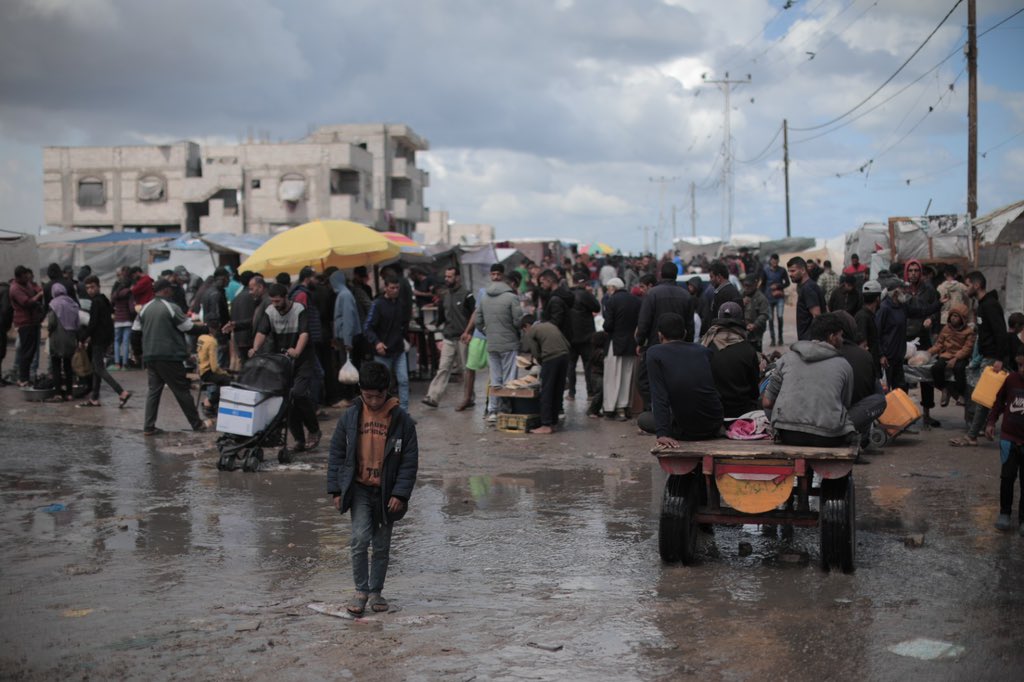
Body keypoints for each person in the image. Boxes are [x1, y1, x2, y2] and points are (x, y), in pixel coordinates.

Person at [328, 361, 419, 615]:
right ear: (360, 391)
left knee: (381, 545)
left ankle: (376, 592)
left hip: (386, 493)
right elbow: (336, 453)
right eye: (368, 396)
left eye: (378, 396)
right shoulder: (350, 417)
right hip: (359, 489)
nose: (373, 401)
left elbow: (409, 462)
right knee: (359, 540)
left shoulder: (402, 421)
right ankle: (360, 591)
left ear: (386, 392)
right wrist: (336, 489)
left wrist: (400, 494)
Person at [762, 314, 857, 447]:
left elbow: (767, 402)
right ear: (831, 337)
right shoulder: (844, 365)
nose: (842, 340)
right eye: (840, 335)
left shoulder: (786, 359)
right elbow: (844, 403)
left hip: (788, 434)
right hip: (827, 436)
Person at [251, 282, 322, 450]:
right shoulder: (270, 311)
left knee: (298, 394)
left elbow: (304, 333)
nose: (275, 305)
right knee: (285, 400)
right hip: (282, 362)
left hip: (303, 360)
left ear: (286, 298)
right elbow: (262, 332)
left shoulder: (299, 309)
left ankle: (314, 430)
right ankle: (299, 439)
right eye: (272, 301)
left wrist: (297, 350)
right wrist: (254, 348)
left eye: (278, 301)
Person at [136, 279, 209, 435]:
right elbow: (187, 327)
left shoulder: (144, 309)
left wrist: (138, 354)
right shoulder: (170, 307)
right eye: (170, 289)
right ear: (166, 290)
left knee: (153, 391)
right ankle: (197, 424)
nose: (172, 291)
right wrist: (207, 329)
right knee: (182, 391)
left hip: (150, 357)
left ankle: (149, 426)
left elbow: (135, 332)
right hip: (169, 357)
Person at [638, 313, 724, 446]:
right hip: (714, 423)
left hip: (686, 430)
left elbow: (659, 396)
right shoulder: (703, 351)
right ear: (684, 333)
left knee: (643, 419)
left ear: (660, 335)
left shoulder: (654, 353)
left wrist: (662, 433)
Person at [951, 271, 1008, 447]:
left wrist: (1000, 358)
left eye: (968, 284)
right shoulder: (983, 305)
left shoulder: (990, 305)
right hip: (987, 357)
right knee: (984, 399)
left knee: (984, 400)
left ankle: (972, 436)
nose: (966, 288)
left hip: (992, 359)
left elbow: (1001, 332)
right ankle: (973, 435)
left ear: (976, 285)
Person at [636, 262, 694, 411]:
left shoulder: (652, 294)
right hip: (679, 347)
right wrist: (688, 344)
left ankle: (653, 411)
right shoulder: (686, 295)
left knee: (645, 380)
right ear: (676, 275)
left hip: (655, 345)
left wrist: (640, 342)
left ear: (661, 275)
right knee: (673, 380)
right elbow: (690, 325)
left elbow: (644, 322)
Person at [985, 346, 1024, 533]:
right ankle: (1005, 513)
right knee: (1007, 478)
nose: (1023, 369)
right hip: (1009, 437)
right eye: (1021, 365)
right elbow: (999, 402)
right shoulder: (1011, 380)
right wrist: (991, 422)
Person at [476, 265, 523, 421]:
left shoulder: (484, 297)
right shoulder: (512, 297)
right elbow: (518, 321)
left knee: (495, 379)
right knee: (509, 380)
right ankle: (506, 410)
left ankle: (493, 411)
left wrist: (488, 333)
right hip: (510, 344)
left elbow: (478, 322)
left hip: (492, 344)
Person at [422, 267, 474, 408]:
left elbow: (474, 316)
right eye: (446, 276)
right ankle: (433, 396)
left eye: (450, 276)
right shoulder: (445, 296)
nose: (447, 279)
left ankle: (470, 397)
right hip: (448, 338)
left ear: (457, 277)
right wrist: (432, 327)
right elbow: (441, 317)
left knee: (466, 370)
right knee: (443, 368)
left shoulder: (467, 295)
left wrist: (470, 333)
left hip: (463, 338)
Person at [834, 312, 887, 446]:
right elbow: (868, 392)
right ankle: (859, 439)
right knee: (879, 397)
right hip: (844, 419)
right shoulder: (862, 356)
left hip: (818, 421)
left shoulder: (818, 355)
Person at [700, 302, 759, 419]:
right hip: (742, 412)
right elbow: (754, 391)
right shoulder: (748, 349)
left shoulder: (704, 345)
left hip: (712, 410)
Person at [79, 275, 131, 408]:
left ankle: (122, 392)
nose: (90, 290)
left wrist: (83, 338)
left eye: (92, 287)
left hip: (99, 340)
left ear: (98, 286)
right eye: (88, 288)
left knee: (100, 369)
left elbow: (93, 323)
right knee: (96, 368)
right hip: (105, 338)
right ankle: (94, 398)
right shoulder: (104, 299)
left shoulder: (96, 302)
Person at [903, 259, 942, 427]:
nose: (913, 273)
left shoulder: (929, 290)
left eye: (916, 270)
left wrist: (930, 319)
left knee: (926, 376)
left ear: (920, 273)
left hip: (923, 336)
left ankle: (926, 414)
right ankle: (903, 414)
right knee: (904, 376)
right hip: (905, 337)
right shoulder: (901, 290)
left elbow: (936, 310)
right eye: (910, 270)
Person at [363, 275, 409, 412]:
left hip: (398, 350)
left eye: (397, 288)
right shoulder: (377, 304)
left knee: (404, 380)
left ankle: (404, 413)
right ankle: (382, 412)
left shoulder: (400, 304)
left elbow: (403, 324)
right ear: (386, 288)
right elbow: (367, 327)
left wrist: (404, 339)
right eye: (392, 288)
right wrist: (377, 343)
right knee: (382, 385)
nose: (395, 290)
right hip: (382, 352)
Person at [520, 314, 571, 434]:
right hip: (564, 356)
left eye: (524, 329)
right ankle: (553, 422)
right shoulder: (550, 325)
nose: (525, 332)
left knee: (546, 391)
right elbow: (567, 344)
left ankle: (546, 424)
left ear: (527, 326)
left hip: (551, 358)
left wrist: (538, 363)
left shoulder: (532, 330)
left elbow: (535, 352)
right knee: (557, 390)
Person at [602, 277, 641, 420]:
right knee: (627, 375)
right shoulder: (636, 300)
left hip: (615, 343)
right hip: (631, 343)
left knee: (613, 377)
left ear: (613, 288)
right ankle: (624, 407)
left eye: (608, 289)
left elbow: (608, 325)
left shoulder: (611, 301)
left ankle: (611, 407)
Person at [926, 303, 975, 408]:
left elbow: (967, 348)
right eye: (952, 315)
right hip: (947, 354)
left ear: (962, 319)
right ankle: (944, 389)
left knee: (959, 369)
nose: (953, 318)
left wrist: (956, 358)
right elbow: (939, 344)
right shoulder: (946, 329)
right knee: (936, 368)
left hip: (960, 356)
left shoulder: (969, 332)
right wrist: (928, 352)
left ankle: (961, 394)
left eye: (956, 316)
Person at [331, 270, 363, 407]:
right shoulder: (344, 294)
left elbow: (348, 319)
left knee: (347, 367)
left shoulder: (344, 295)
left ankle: (348, 397)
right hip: (345, 337)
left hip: (346, 338)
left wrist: (347, 341)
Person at [566, 274, 601, 401]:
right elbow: (597, 307)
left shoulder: (567, 294)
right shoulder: (586, 295)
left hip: (570, 336)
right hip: (586, 336)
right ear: (584, 283)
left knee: (571, 365)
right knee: (588, 365)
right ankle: (590, 393)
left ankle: (571, 393)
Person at [9, 265, 44, 387]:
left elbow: (36, 289)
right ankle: (22, 378)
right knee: (26, 351)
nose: (27, 279)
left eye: (27, 276)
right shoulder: (15, 289)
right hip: (24, 323)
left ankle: (26, 377)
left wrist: (39, 291)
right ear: (18, 277)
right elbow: (26, 303)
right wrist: (38, 296)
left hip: (33, 322)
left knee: (32, 350)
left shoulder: (27, 284)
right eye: (24, 277)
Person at [45, 283, 79, 402]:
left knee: (56, 366)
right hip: (70, 338)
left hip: (57, 339)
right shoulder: (73, 303)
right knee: (68, 366)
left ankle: (58, 393)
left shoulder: (53, 304)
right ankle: (69, 394)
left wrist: (48, 331)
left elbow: (52, 323)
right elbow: (77, 323)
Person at [196, 319, 233, 414]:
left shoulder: (201, 337)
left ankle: (211, 402)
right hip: (207, 372)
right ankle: (209, 402)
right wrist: (224, 372)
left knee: (222, 378)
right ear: (215, 329)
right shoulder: (212, 342)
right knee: (229, 380)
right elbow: (214, 367)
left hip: (201, 370)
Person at [788, 256, 825, 341]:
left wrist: (815, 340)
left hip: (810, 341)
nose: (790, 274)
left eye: (793, 271)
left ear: (803, 270)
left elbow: (817, 316)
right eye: (789, 271)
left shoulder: (808, 288)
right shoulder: (810, 285)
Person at [761, 253, 790, 346]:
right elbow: (762, 284)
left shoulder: (782, 270)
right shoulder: (765, 271)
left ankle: (780, 338)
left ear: (778, 261)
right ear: (770, 261)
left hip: (779, 297)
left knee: (780, 317)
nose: (775, 263)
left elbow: (787, 283)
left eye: (776, 261)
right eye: (773, 261)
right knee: (770, 319)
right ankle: (773, 339)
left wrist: (778, 285)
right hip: (768, 297)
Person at [856, 280, 883, 376]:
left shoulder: (869, 315)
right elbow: (862, 345)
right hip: (868, 368)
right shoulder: (863, 317)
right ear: (877, 298)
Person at [740, 274, 770, 352]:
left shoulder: (761, 298)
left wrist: (755, 325)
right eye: (745, 285)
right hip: (741, 332)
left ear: (755, 285)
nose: (746, 287)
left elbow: (764, 314)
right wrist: (740, 303)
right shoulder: (741, 295)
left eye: (749, 285)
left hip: (755, 334)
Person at [111, 270, 134, 370]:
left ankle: (116, 363)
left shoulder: (115, 294)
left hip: (117, 320)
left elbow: (111, 304)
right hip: (127, 320)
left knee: (116, 342)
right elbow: (131, 308)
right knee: (126, 342)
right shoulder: (129, 293)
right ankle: (125, 364)